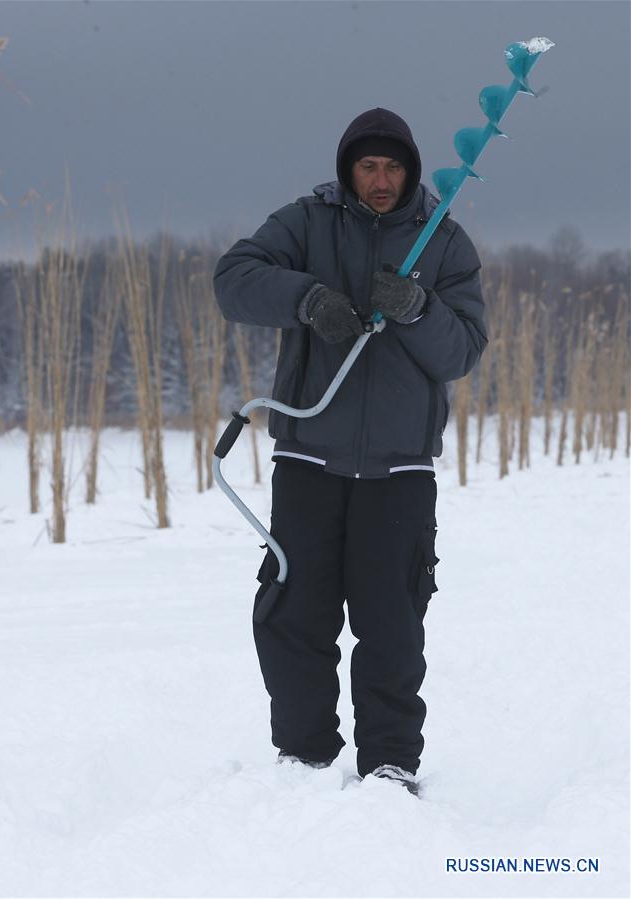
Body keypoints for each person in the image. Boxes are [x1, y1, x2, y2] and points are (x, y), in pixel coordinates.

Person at [213, 107, 487, 795]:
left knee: (391, 623)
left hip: (399, 469)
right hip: (308, 457)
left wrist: (418, 308)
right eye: (367, 165)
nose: (380, 179)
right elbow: (233, 279)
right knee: (292, 613)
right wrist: (306, 298)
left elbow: (461, 352)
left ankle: (390, 763)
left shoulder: (443, 241)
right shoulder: (306, 223)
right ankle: (303, 760)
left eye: (392, 166)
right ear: (347, 169)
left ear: (413, 171)